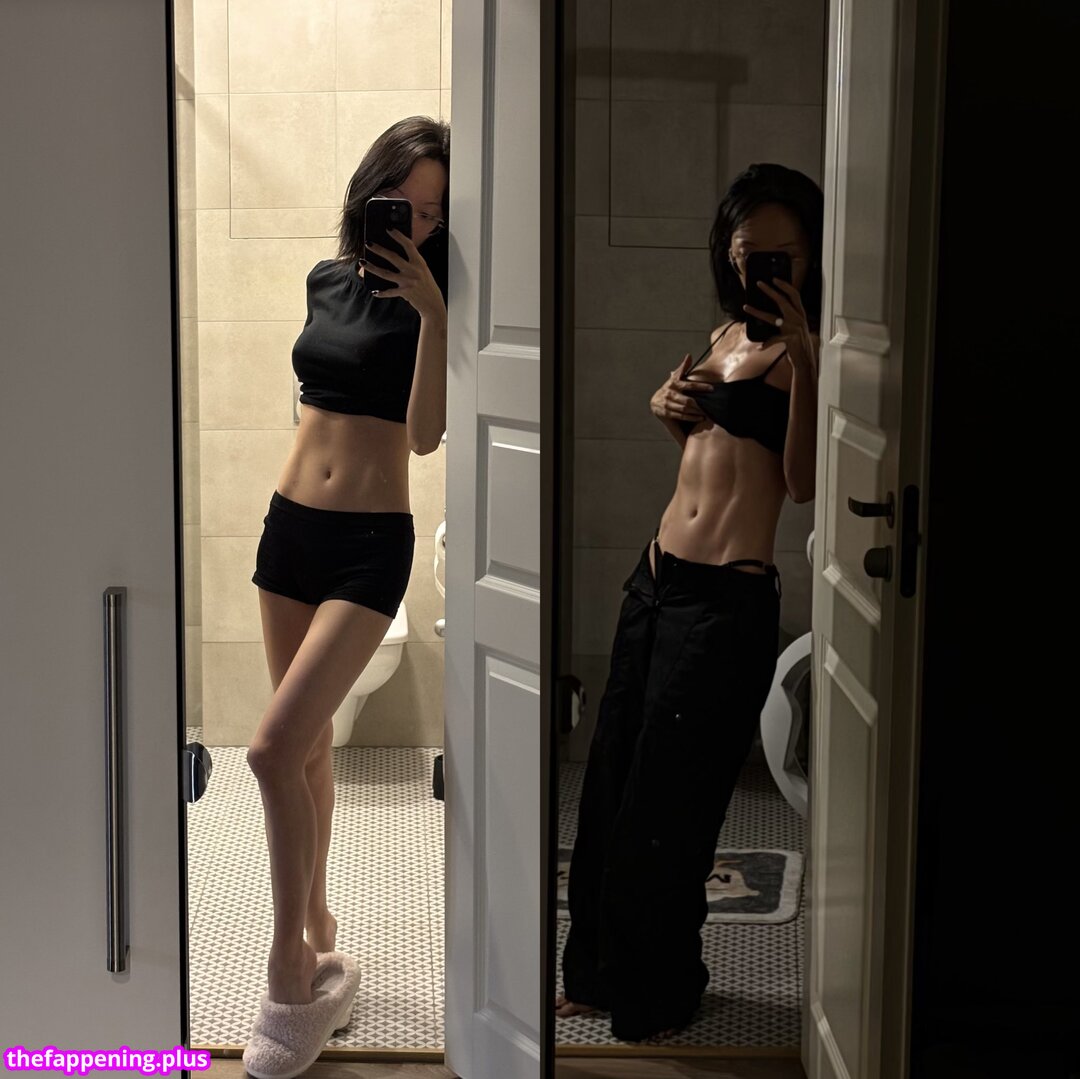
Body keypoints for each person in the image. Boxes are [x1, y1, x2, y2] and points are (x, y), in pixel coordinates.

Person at [556, 163, 824, 1044]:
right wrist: (666, 407)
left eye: (781, 253)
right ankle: (594, 974)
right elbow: (708, 452)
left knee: (669, 804)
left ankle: (661, 991)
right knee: (610, 780)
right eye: (746, 251)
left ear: (811, 254)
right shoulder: (722, 332)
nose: (760, 267)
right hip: (655, 580)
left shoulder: (812, 350)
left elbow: (800, 482)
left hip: (725, 602)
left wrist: (809, 359)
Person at [245, 116, 449, 1011]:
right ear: (373, 193)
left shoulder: (440, 301)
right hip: (288, 531)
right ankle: (319, 916)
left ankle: (288, 962)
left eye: (435, 213)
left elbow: (426, 434)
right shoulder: (325, 280)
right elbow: (314, 397)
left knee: (268, 751)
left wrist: (434, 312)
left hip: (369, 547)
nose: (419, 223)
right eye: (406, 202)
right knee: (310, 748)